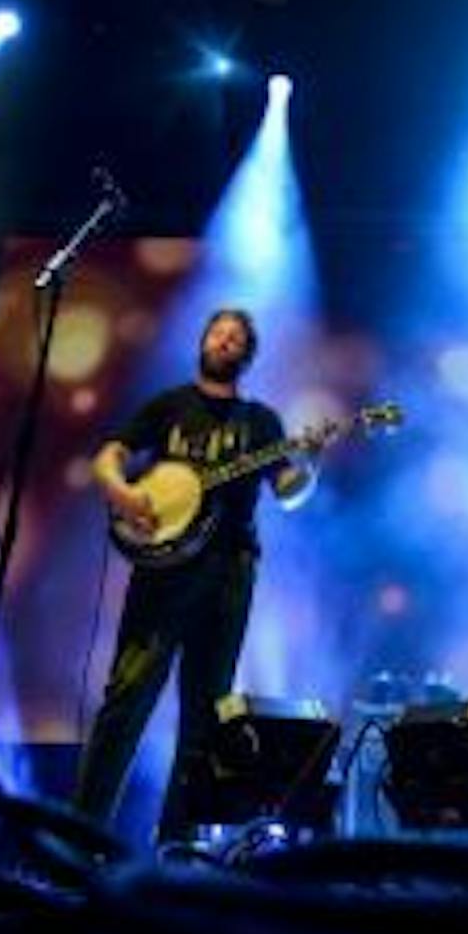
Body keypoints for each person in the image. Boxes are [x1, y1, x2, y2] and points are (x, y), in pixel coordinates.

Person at [72, 307, 314, 845]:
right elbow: (110, 456)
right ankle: (80, 843)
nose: (224, 342)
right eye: (217, 333)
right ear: (202, 342)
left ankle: (179, 846)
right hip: (162, 574)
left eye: (236, 339)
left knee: (205, 715)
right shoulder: (169, 406)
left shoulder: (262, 423)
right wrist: (122, 492)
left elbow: (288, 491)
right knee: (126, 699)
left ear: (246, 356)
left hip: (230, 572)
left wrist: (308, 465)